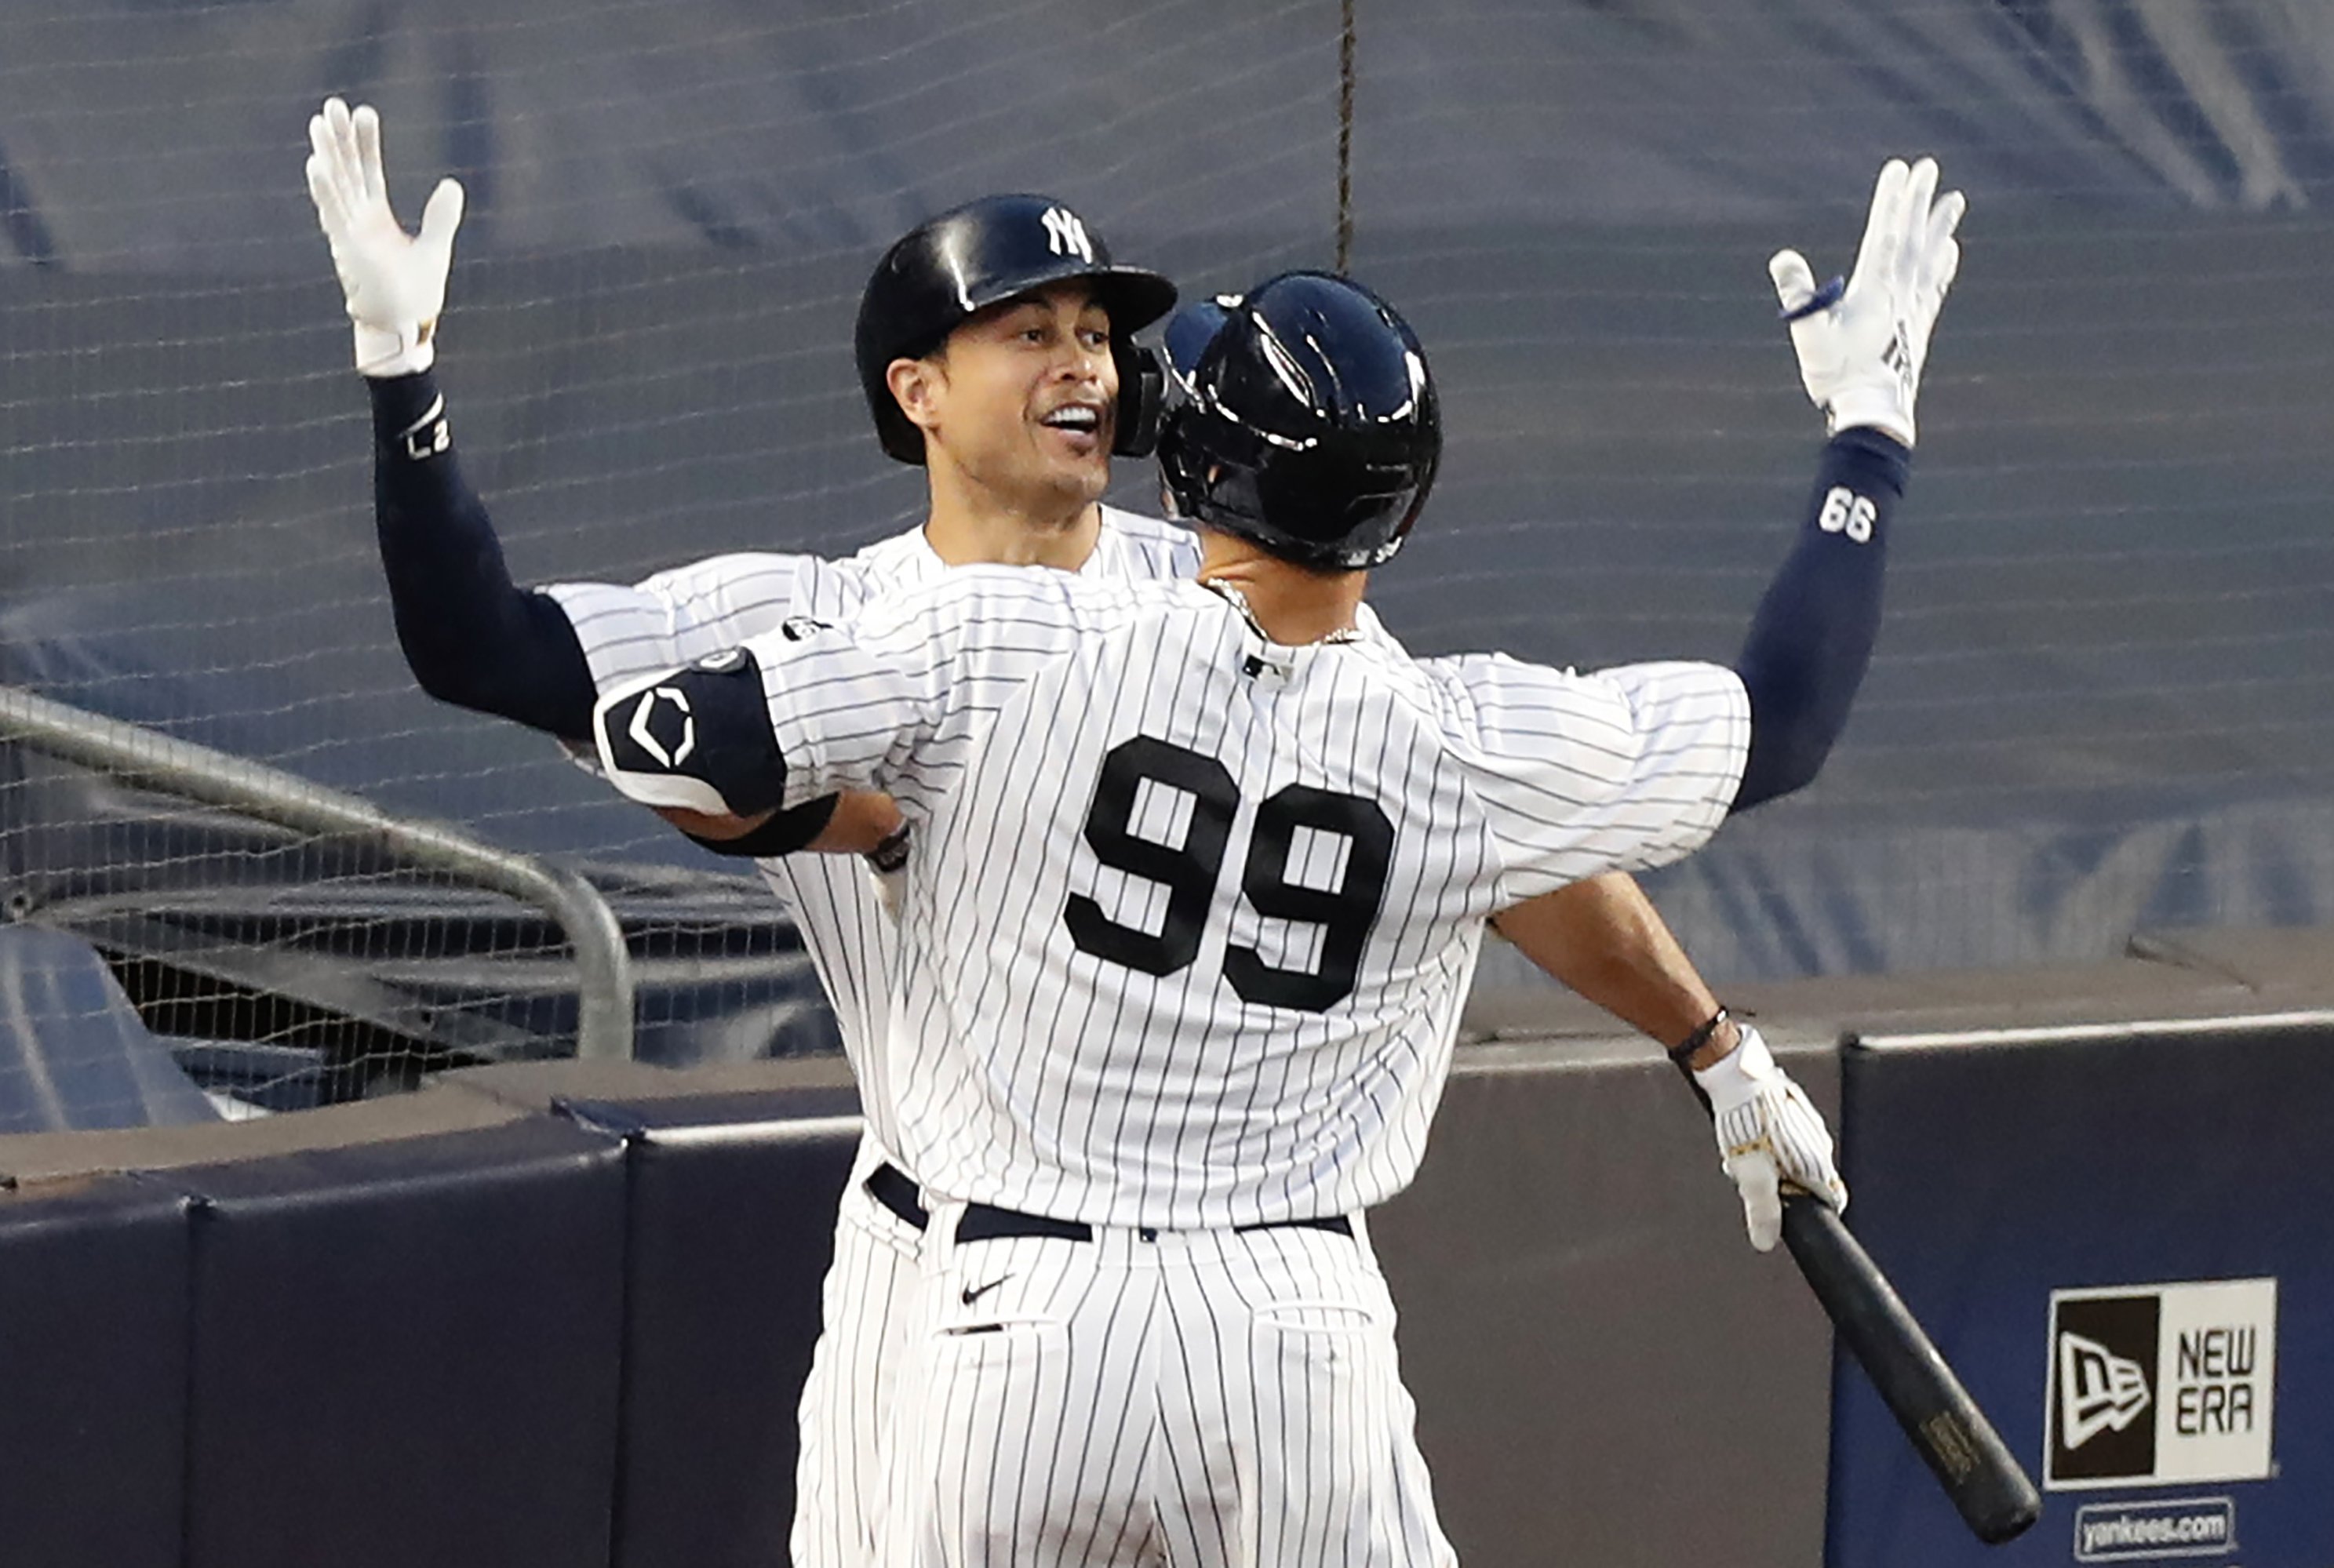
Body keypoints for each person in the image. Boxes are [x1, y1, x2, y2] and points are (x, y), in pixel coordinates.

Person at [303, 93, 1866, 1563]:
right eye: (1027, 328)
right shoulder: (813, 614)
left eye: (1099, 333)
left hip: (1085, 1286)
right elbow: (483, 652)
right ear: (914, 387)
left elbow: (1487, 854)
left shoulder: (1189, 581)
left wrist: (1710, 1035)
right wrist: (405, 380)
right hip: (940, 1248)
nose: (1085, 362)